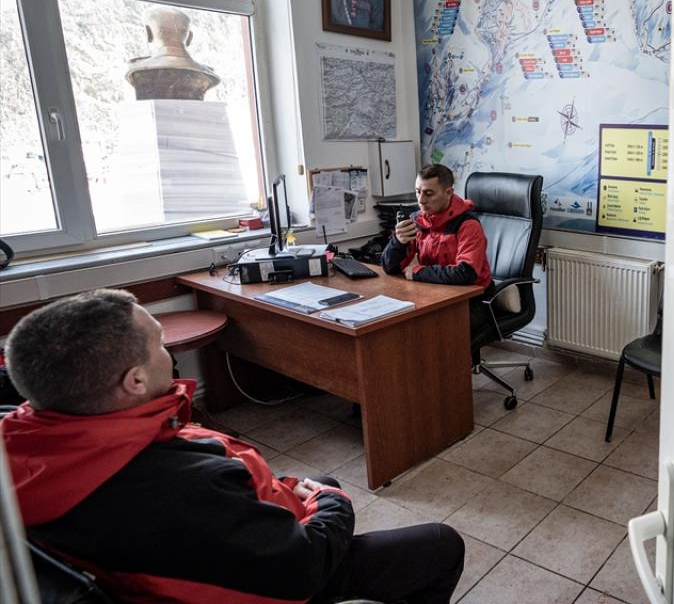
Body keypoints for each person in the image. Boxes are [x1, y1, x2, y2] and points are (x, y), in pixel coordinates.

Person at [1, 289, 464, 603]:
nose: (169, 353)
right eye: (159, 344)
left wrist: (290, 490)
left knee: (319, 478)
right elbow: (300, 568)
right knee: (440, 543)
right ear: (135, 381)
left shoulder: (21, 447)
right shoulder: (180, 483)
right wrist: (331, 503)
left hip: (199, 547)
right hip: (271, 576)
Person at [382, 164, 493, 334]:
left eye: (429, 193)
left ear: (448, 193)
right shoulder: (417, 221)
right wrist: (398, 242)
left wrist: (418, 272)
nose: (421, 200)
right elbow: (390, 268)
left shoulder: (467, 224)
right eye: (418, 192)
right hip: (435, 293)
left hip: (473, 298)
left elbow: (466, 273)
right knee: (396, 324)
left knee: (434, 332)